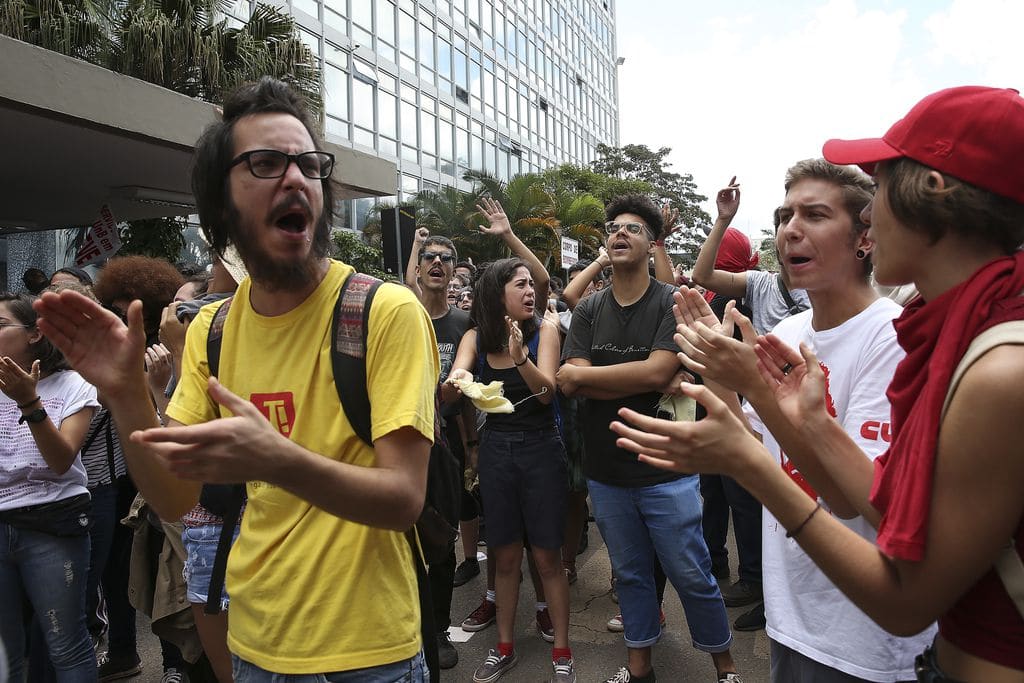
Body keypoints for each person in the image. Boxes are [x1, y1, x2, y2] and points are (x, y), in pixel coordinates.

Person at [611, 86, 1024, 682]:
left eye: (878, 188)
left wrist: (754, 457)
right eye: (784, 216)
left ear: (932, 193)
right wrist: (749, 391)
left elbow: (906, 597)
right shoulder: (954, 331)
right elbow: (891, 505)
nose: (871, 215)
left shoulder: (997, 364)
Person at [35, 76, 439, 680]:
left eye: (309, 164)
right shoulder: (214, 330)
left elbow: (404, 499)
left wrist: (277, 460)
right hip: (253, 643)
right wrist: (123, 394)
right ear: (220, 204)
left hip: (368, 652)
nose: (297, 178)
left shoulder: (383, 311)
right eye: (267, 163)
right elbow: (175, 497)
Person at [671, 159, 937, 681]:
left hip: (864, 637)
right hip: (791, 611)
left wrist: (748, 380)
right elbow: (750, 443)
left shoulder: (893, 338)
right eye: (785, 214)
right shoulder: (788, 331)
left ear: (866, 236)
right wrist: (716, 367)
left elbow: (854, 499)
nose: (791, 228)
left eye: (815, 214)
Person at [558, 194, 741, 683]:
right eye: (613, 227)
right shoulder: (590, 308)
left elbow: (662, 371)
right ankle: (639, 665)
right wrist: (636, 374)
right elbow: (567, 376)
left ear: (651, 242)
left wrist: (596, 376)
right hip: (606, 470)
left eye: (633, 229)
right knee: (631, 575)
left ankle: (724, 666)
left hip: (667, 468)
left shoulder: (668, 301)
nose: (619, 233)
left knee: (691, 575)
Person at [447, 199, 575, 683]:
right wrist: (456, 382)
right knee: (502, 554)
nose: (529, 290)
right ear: (497, 293)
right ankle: (503, 646)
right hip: (497, 450)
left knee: (546, 555)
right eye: (517, 284)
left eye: (529, 284)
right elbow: (460, 370)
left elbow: (546, 394)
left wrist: (522, 359)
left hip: (542, 449)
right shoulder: (479, 335)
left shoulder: (543, 329)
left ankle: (562, 650)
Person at [0, 293, 99, 681]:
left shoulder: (72, 385)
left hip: (52, 525)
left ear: (34, 335)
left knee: (65, 643)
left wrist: (29, 403)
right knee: (6, 649)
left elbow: (60, 461)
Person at [404, 227, 477, 670]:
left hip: (445, 444)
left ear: (453, 270)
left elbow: (467, 396)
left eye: (445, 258)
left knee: (443, 539)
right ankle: (408, 626)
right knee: (401, 534)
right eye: (428, 256)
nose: (436, 262)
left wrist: (471, 448)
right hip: (402, 439)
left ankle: (438, 629)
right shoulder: (400, 313)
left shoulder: (463, 325)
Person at [691, 177, 809, 336]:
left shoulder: (832, 291)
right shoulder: (760, 284)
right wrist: (723, 219)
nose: (791, 233)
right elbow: (702, 276)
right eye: (785, 222)